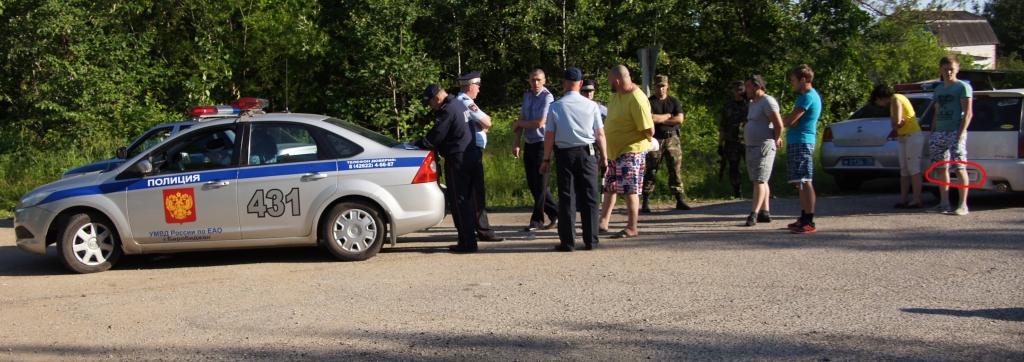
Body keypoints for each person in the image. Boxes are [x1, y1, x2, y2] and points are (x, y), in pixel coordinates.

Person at [538, 68, 608, 252]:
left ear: (563, 84)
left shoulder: (555, 106)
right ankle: (591, 240)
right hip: (588, 154)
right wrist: (605, 158)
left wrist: (546, 159)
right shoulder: (592, 106)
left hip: (565, 155)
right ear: (581, 83)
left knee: (567, 198)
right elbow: (600, 134)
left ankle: (568, 242)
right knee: (590, 198)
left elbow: (550, 136)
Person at [414, 84, 481, 253]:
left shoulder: (446, 110)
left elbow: (436, 136)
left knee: (459, 202)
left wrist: (419, 143)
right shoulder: (459, 104)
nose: (431, 107)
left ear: (437, 98)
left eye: (430, 103)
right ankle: (470, 237)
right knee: (470, 199)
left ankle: (468, 242)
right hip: (472, 155)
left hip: (458, 159)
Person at [598, 65, 654, 239]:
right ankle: (603, 222)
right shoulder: (616, 94)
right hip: (613, 151)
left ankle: (632, 227)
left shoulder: (637, 99)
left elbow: (649, 130)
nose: (608, 84)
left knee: (630, 189)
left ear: (617, 81)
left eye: (609, 81)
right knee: (610, 186)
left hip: (631, 150)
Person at [455, 70, 503, 242]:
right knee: (475, 193)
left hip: (467, 150)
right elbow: (487, 122)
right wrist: (484, 124)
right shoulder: (466, 102)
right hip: (472, 151)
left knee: (469, 193)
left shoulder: (459, 101)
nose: (479, 90)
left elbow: (485, 122)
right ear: (470, 86)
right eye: (478, 86)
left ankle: (475, 229)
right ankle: (483, 230)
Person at [512, 69, 558, 232]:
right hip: (529, 142)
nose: (535, 83)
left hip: (542, 143)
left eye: (538, 80)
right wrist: (516, 141)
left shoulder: (547, 97)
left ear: (544, 80)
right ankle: (557, 213)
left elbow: (539, 123)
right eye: (532, 80)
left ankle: (537, 220)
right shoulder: (527, 95)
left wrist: (519, 124)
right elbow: (522, 117)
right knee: (533, 183)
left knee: (540, 183)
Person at [927, 55, 973, 215]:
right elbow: (937, 111)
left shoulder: (962, 87)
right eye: (946, 69)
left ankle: (962, 204)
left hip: (955, 131)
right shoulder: (939, 89)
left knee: (959, 167)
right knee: (941, 168)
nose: (949, 72)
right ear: (941, 70)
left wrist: (960, 133)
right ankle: (944, 203)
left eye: (951, 69)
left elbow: (968, 113)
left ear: (957, 69)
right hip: (939, 131)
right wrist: (932, 132)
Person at [782, 64, 822, 234]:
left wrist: (788, 121)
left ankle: (809, 220)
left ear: (803, 80)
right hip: (797, 140)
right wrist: (792, 121)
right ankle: (803, 216)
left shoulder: (807, 97)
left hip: (802, 141)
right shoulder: (805, 97)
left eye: (793, 80)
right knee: (800, 181)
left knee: (805, 180)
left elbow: (791, 120)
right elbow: (793, 120)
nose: (792, 84)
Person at [870, 83, 924, 209]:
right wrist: (896, 125)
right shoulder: (895, 100)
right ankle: (904, 200)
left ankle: (917, 200)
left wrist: (896, 124)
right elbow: (896, 124)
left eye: (876, 101)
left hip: (912, 135)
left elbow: (897, 121)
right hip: (904, 136)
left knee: (913, 169)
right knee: (904, 169)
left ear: (879, 98)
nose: (878, 104)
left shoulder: (896, 99)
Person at [642, 75, 689, 212]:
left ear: (667, 86)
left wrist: (660, 119)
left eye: (663, 86)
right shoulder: (649, 102)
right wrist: (668, 116)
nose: (661, 88)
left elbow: (679, 119)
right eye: (658, 86)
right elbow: (649, 119)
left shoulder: (673, 101)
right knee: (651, 170)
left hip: (672, 140)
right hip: (655, 139)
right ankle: (646, 201)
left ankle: (679, 199)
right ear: (654, 87)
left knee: (675, 169)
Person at [742, 75, 783, 226]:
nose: (745, 90)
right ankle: (765, 212)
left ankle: (754, 213)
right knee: (760, 179)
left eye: (748, 86)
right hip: (752, 146)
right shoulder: (753, 103)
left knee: (759, 180)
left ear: (758, 86)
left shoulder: (768, 101)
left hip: (763, 146)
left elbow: (778, 124)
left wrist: (776, 138)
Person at [719, 80, 749, 199]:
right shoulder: (728, 106)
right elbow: (723, 126)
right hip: (731, 141)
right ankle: (738, 192)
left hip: (748, 140)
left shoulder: (750, 104)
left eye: (741, 90)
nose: (739, 92)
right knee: (733, 167)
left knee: (755, 166)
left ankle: (763, 190)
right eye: (736, 90)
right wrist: (720, 144)